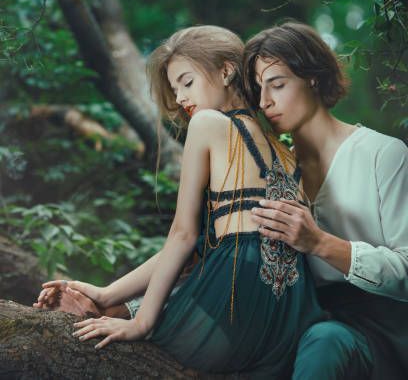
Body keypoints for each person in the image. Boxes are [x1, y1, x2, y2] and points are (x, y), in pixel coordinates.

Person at [37, 25, 325, 378]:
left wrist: (141, 323)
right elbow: (195, 247)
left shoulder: (208, 123)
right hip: (290, 308)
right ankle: (104, 306)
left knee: (119, 335)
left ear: (226, 70)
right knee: (118, 312)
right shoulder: (287, 150)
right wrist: (107, 291)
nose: (180, 98)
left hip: (238, 287)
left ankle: (105, 313)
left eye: (186, 82)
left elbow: (183, 236)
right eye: (175, 90)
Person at [244, 21, 408, 379]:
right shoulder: (272, 171)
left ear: (313, 78)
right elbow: (221, 257)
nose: (264, 102)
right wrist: (132, 307)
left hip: (384, 333)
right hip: (297, 323)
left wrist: (318, 242)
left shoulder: (384, 154)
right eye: (258, 89)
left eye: (278, 84)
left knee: (325, 340)